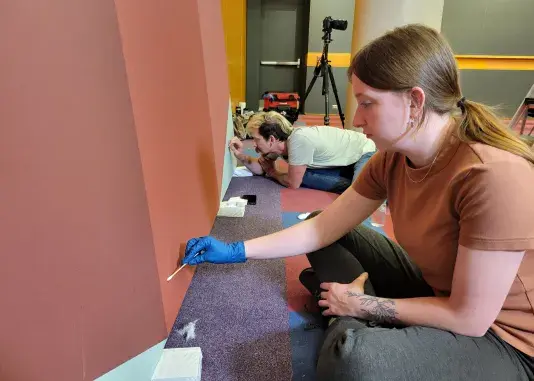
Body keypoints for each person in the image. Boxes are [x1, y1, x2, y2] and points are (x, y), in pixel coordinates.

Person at [182, 24, 534, 380]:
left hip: (505, 339)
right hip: (438, 290)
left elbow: (469, 318)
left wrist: (362, 305)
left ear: (415, 101)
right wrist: (234, 251)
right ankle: (347, 311)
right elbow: (321, 228)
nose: (356, 119)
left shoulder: (491, 175)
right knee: (323, 220)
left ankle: (344, 311)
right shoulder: (391, 158)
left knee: (354, 361)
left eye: (367, 103)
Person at [228, 111, 376, 194]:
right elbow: (260, 169)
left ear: (271, 139)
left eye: (256, 139)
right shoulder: (280, 145)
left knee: (360, 193)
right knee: (302, 174)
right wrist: (239, 154)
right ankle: (367, 179)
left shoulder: (298, 140)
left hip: (365, 151)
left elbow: (293, 184)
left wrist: (273, 173)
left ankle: (381, 184)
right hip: (345, 158)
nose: (253, 144)